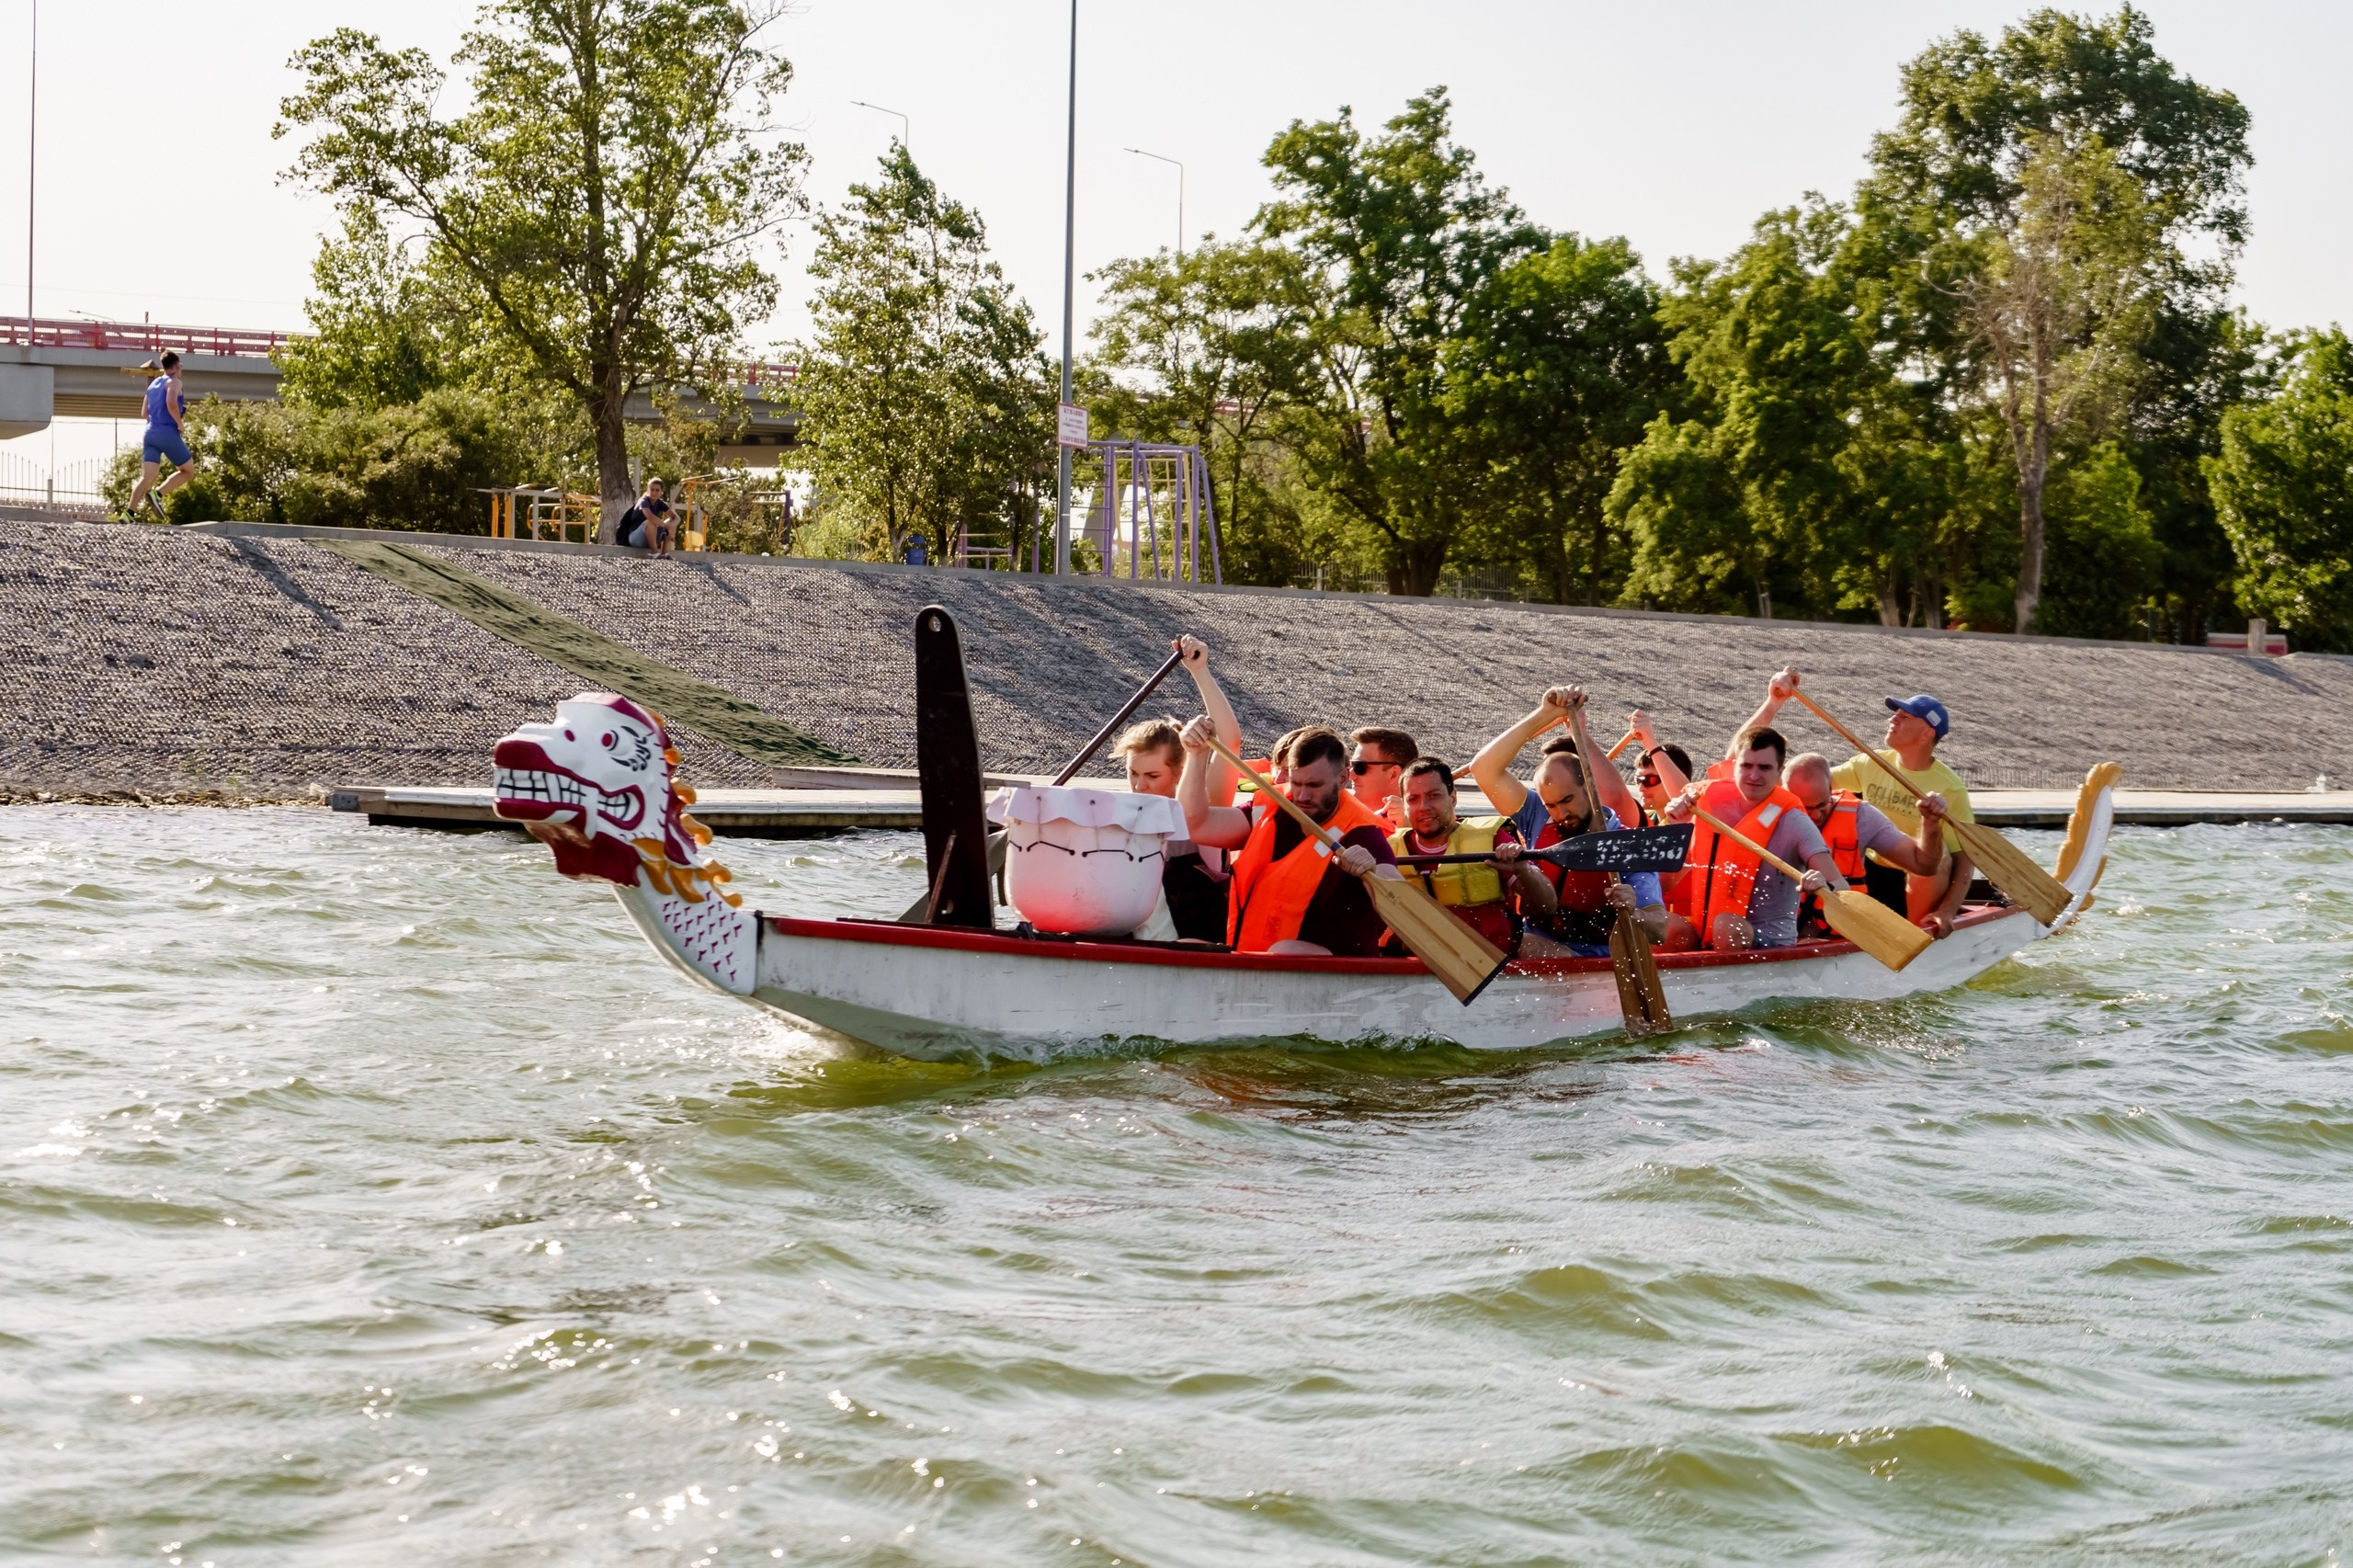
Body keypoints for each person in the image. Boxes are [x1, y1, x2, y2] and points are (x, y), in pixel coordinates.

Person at [1737, 671, 1976, 938]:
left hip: (1914, 870)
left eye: (1905, 717)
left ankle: (1917, 935)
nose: (1892, 719)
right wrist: (1774, 703)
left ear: (1926, 733)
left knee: (1941, 857)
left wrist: (1947, 910)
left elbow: (1965, 859)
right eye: (1895, 714)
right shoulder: (1871, 762)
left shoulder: (1950, 787)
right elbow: (1746, 760)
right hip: (1871, 867)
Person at [1468, 687, 1665, 955]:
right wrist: (1545, 713)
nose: (1560, 814)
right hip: (1539, 945)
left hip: (1598, 956)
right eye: (1551, 805)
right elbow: (1483, 769)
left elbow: (1659, 931)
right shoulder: (1537, 815)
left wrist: (1634, 912)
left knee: (1525, 947)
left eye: (1567, 800)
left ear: (1590, 787)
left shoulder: (1628, 845)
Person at [1176, 721, 1399, 956]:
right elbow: (1196, 825)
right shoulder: (1271, 807)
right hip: (1253, 963)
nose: (1302, 796)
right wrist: (1196, 755)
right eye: (1296, 783)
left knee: (1286, 949)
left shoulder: (1363, 834)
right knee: (1184, 947)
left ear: (1343, 778)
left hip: (1329, 970)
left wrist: (1374, 876)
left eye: (1314, 785)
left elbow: (1397, 897)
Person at [1663, 726, 1846, 951]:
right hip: (1708, 938)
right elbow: (1664, 883)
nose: (1754, 776)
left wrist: (1822, 884)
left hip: (1770, 944)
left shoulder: (1794, 822)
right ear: (1734, 766)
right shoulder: (1700, 808)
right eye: (1746, 766)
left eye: (1764, 768)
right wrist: (1676, 829)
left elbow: (1840, 885)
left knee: (1726, 926)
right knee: (1664, 925)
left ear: (1779, 773)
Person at [1111, 635, 1244, 943]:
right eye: (1133, 773)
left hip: (1190, 952)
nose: (1139, 785)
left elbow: (1230, 741)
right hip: (1130, 953)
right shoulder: (1119, 820)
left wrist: (1199, 671)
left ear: (1179, 772)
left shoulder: (1201, 817)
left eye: (1152, 775)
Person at [1387, 757, 1553, 951]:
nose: (1424, 806)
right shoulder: (1388, 851)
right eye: (1413, 799)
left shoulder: (1493, 839)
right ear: (1404, 805)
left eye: (1434, 796)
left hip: (1490, 959)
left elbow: (1547, 906)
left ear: (1453, 798)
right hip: (1419, 961)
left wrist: (1523, 870)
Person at [1784, 751, 1949, 938]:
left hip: (1838, 931)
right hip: (1780, 928)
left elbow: (1924, 865)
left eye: (1822, 805)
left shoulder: (1860, 816)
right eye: (1806, 809)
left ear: (1830, 789)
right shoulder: (1771, 814)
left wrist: (1931, 822)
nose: (1815, 816)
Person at [125, 352, 197, 521]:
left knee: (147, 477)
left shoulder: (153, 385)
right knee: (188, 471)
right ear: (177, 365)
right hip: (168, 433)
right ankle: (157, 494)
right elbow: (171, 402)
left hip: (150, 434)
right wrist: (179, 423)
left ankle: (128, 514)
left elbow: (144, 413)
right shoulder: (174, 382)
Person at [1347, 726, 1419, 829]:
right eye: (1352, 765)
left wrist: (1406, 830)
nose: (1350, 775)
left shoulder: (1431, 825)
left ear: (1393, 774)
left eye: (1359, 767)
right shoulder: (1337, 813)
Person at [619, 478, 675, 556]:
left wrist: (671, 526)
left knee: (671, 523)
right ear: (648, 490)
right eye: (652, 490)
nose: (654, 492)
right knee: (650, 522)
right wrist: (665, 525)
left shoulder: (660, 503)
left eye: (657, 490)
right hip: (636, 539)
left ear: (661, 492)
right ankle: (655, 553)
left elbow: (676, 518)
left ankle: (665, 554)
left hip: (651, 538)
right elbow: (650, 516)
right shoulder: (643, 501)